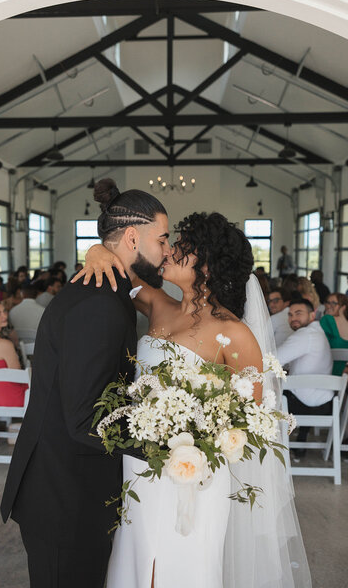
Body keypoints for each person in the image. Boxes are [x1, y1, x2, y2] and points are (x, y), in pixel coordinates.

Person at [75, 211, 311, 588]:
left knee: (184, 566)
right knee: (135, 557)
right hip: (139, 465)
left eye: (183, 247)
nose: (168, 251)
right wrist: (94, 251)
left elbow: (251, 420)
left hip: (194, 477)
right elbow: (120, 270)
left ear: (208, 265)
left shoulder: (234, 333)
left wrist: (196, 437)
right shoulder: (158, 304)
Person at [0, 179, 171, 588]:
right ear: (132, 237)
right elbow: (85, 418)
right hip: (64, 499)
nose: (167, 251)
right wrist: (164, 442)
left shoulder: (109, 292)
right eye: (163, 239)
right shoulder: (99, 303)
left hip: (73, 491)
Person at [278, 298, 333, 452]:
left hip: (305, 405)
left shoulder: (306, 334)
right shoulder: (317, 332)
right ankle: (300, 442)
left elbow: (273, 361)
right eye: (290, 315)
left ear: (312, 314)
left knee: (270, 392)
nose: (293, 318)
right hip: (324, 403)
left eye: (298, 313)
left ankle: (271, 450)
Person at [320, 293, 348, 375]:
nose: (329, 306)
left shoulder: (327, 319)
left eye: (334, 303)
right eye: (327, 302)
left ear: (343, 307)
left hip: (332, 373)